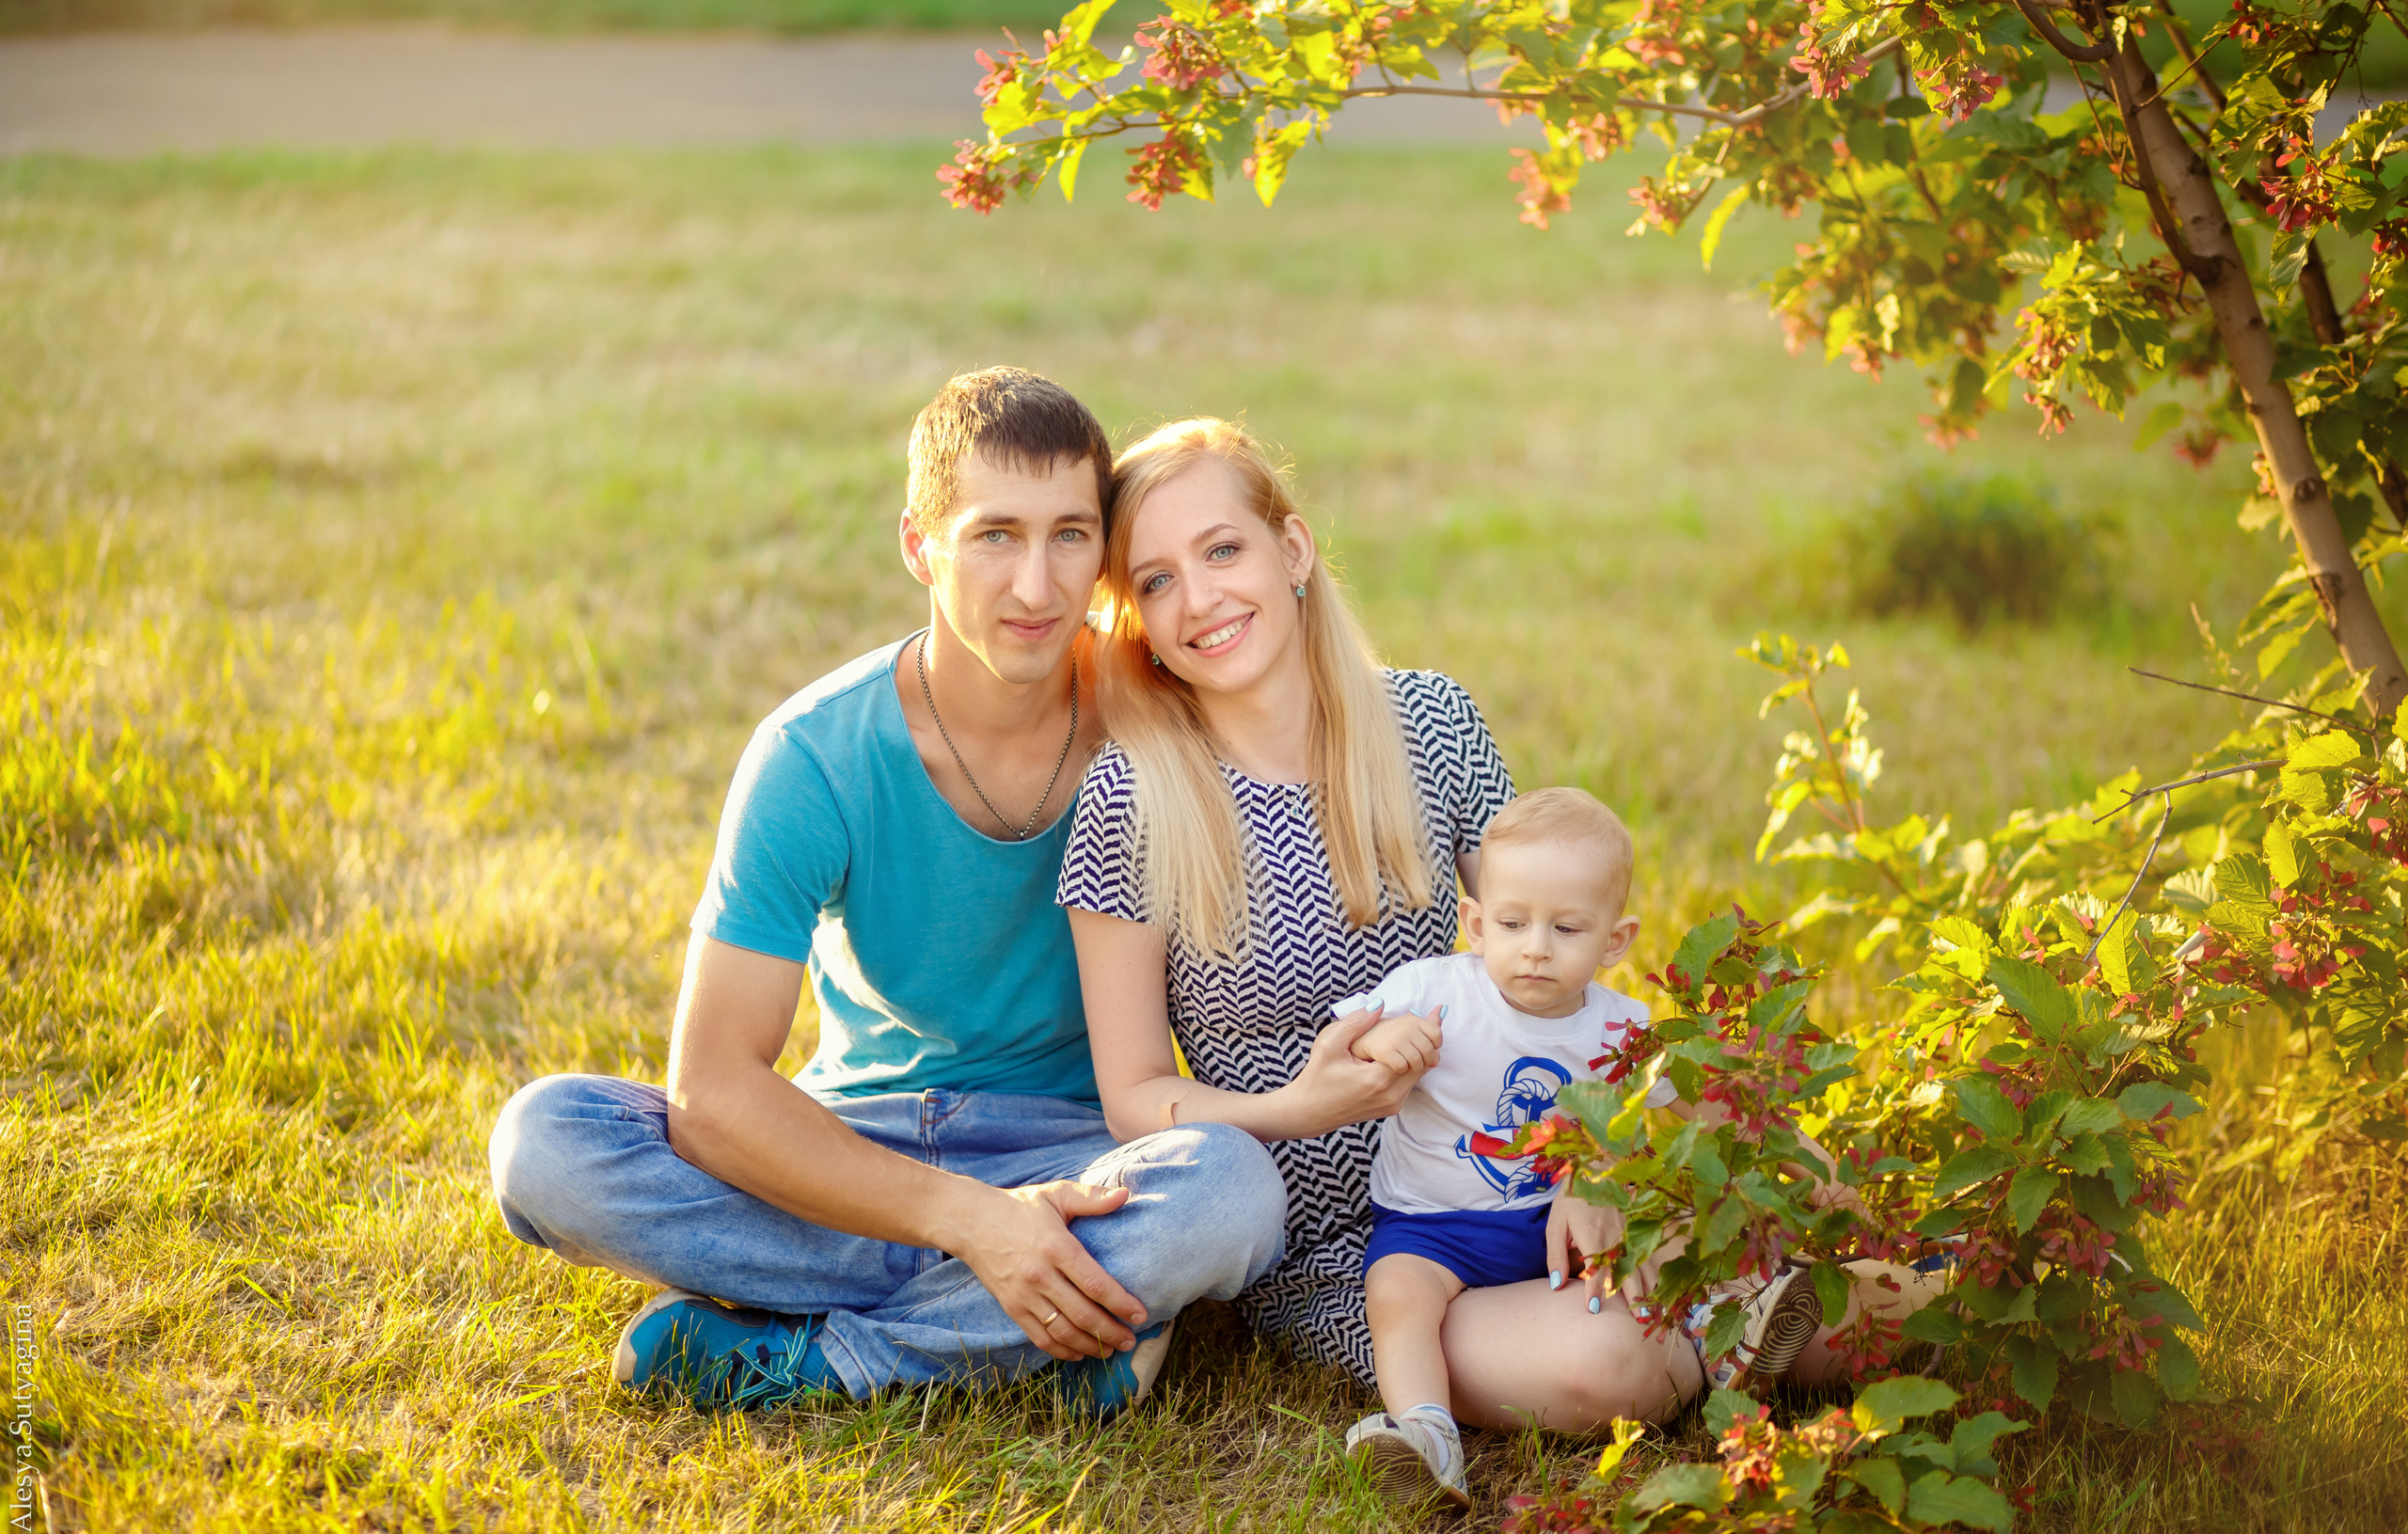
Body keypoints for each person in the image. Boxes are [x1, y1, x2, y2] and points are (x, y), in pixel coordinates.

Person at [1058, 417, 1939, 1469]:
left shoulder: (1429, 722)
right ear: (1138, 624)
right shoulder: (1131, 797)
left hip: (1529, 1161)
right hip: (1363, 1246)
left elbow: (1552, 952)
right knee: (1609, 1365)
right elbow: (1135, 1095)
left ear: (1291, 550)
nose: (1199, 598)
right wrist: (1304, 1106)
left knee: (1840, 1237)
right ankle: (1737, 1317)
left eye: (1222, 550)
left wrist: (1602, 1160)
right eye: (1156, 580)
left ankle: (1824, 1293)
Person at [487, 369, 1287, 1416]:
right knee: (545, 1142)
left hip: (1076, 1154)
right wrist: (971, 1221)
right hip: (857, 1147)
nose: (1037, 585)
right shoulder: (812, 754)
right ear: (920, 544)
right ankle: (1035, 1319)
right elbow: (713, 1091)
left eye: (1069, 536)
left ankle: (819, 1358)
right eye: (994, 535)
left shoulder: (1156, 719)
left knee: (1232, 1190)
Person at [1333, 786, 1855, 1511]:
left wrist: (1821, 1168)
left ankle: (1728, 1321)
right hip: (1433, 1227)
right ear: (1476, 923)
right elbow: (1345, 1040)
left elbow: (1715, 1104)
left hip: (1569, 1227)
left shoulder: (1621, 1030)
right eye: (1512, 922)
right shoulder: (1433, 992)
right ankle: (1428, 1433)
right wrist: (1381, 1039)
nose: (1536, 946)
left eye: (1567, 927)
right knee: (1395, 1296)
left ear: (1615, 940)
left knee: (1668, 1228)